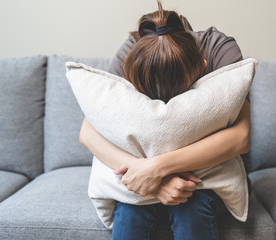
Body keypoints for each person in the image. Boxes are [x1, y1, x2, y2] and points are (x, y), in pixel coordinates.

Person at [78, 1, 251, 239]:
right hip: (143, 178)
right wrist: (151, 180)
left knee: (190, 204)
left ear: (201, 68)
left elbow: (241, 136)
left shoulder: (218, 50)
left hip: (208, 178)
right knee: (130, 209)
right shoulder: (132, 51)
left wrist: (157, 169)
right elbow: (88, 131)